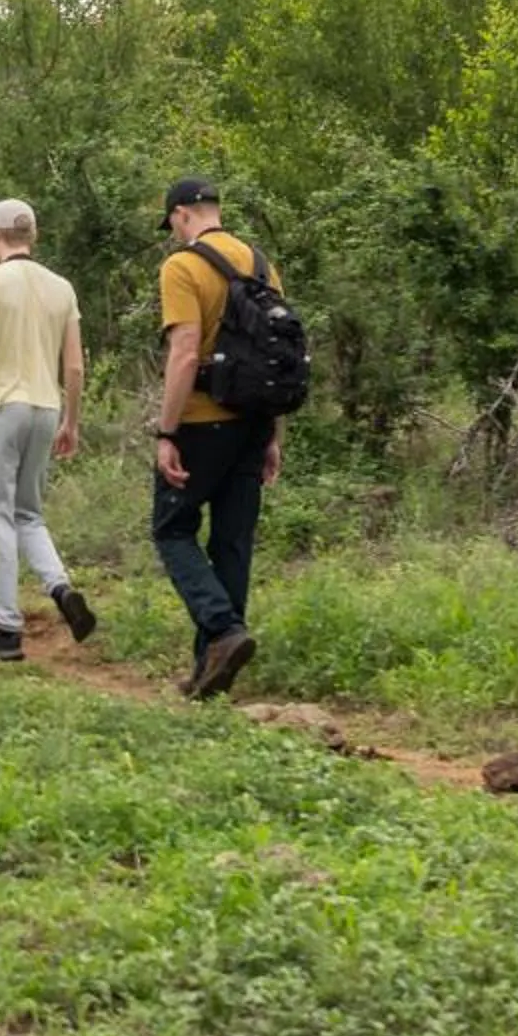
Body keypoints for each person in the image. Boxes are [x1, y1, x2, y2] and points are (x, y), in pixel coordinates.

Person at [152, 176, 285, 698]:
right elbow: (276, 356)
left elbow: (184, 353)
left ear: (183, 214)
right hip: (253, 422)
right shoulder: (260, 263)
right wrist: (272, 435)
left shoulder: (183, 266)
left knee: (171, 530)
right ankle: (213, 669)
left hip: (202, 420)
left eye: (172, 224)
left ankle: (224, 631)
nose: (173, 233)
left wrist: (167, 430)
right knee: (231, 540)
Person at [0, 199, 95, 659]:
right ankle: (60, 588)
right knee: (27, 514)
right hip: (46, 406)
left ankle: (6, 628)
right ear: (30, 236)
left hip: (1, 404)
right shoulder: (62, 288)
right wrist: (71, 421)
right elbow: (74, 366)